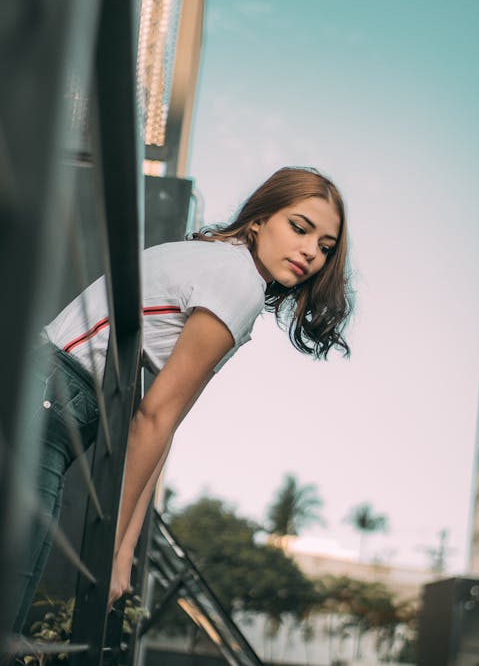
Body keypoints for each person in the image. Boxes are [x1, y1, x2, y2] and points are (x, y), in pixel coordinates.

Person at [11, 165, 352, 631]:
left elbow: (165, 422)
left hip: (44, 397)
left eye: (325, 247)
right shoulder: (238, 284)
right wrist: (110, 546)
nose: (311, 252)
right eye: (300, 228)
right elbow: (153, 418)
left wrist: (125, 547)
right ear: (259, 220)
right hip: (48, 401)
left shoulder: (224, 269)